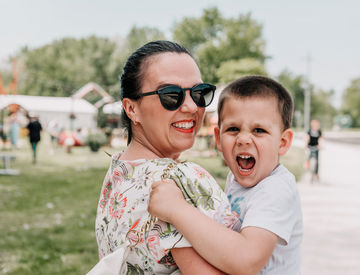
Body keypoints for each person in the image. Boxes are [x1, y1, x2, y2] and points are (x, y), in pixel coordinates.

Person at [93, 40, 239, 275]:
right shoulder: (182, 179)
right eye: (171, 95)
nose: (192, 107)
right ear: (132, 109)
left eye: (200, 93)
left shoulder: (118, 173)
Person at [149, 76, 303, 275]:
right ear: (218, 138)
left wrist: (177, 210)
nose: (244, 139)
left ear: (283, 142)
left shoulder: (276, 188)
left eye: (259, 130)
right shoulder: (236, 177)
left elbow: (247, 260)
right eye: (233, 129)